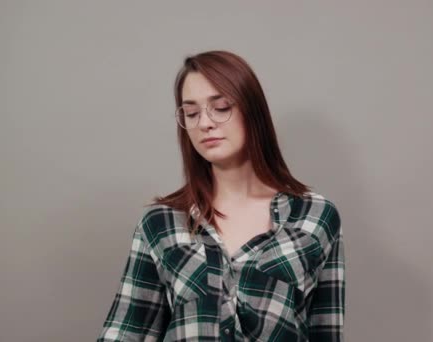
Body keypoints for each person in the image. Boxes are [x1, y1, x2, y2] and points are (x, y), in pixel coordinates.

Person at [97, 50, 345, 341]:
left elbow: (326, 332)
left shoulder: (315, 217)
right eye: (191, 113)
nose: (205, 123)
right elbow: (126, 332)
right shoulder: (161, 223)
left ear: (252, 111)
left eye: (221, 107)